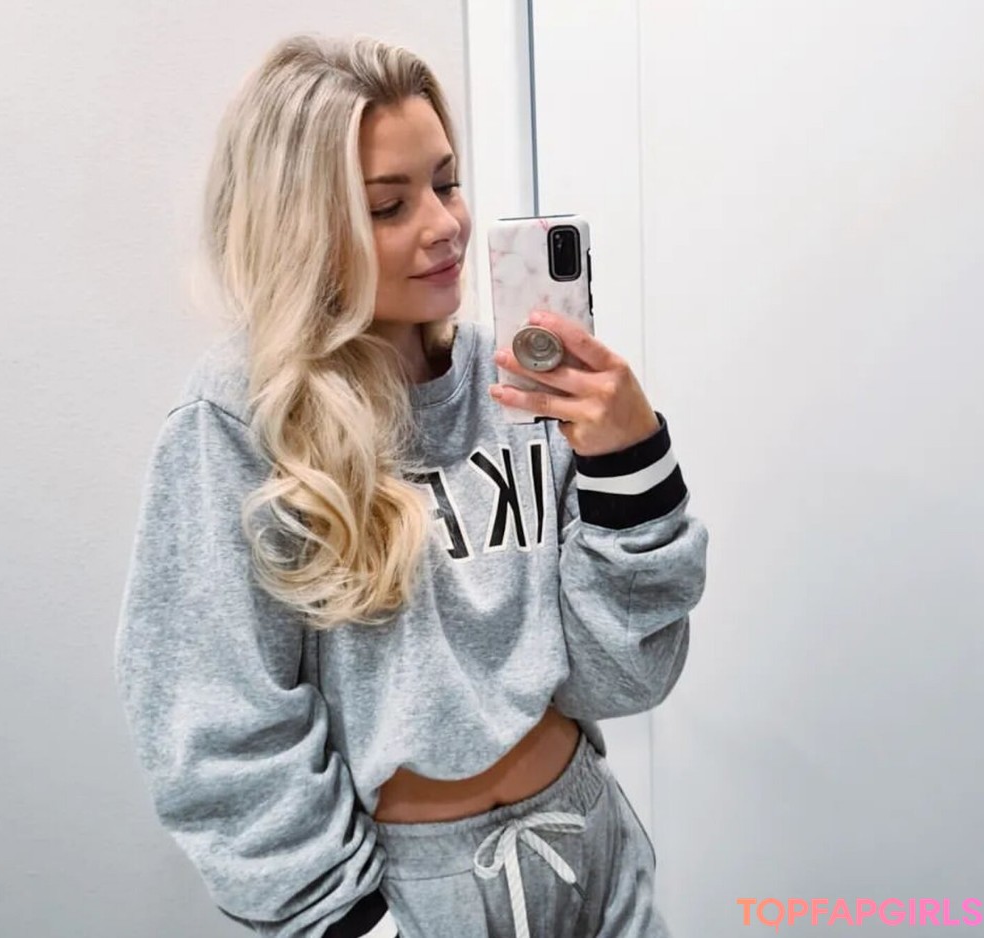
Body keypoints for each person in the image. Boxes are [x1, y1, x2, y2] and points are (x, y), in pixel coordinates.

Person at [114, 33, 708, 938]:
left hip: (592, 848)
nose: (444, 225)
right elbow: (217, 727)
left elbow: (623, 678)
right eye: (388, 206)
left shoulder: (517, 383)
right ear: (302, 227)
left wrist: (629, 464)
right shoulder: (240, 420)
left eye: (448, 182)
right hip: (415, 898)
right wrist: (348, 922)